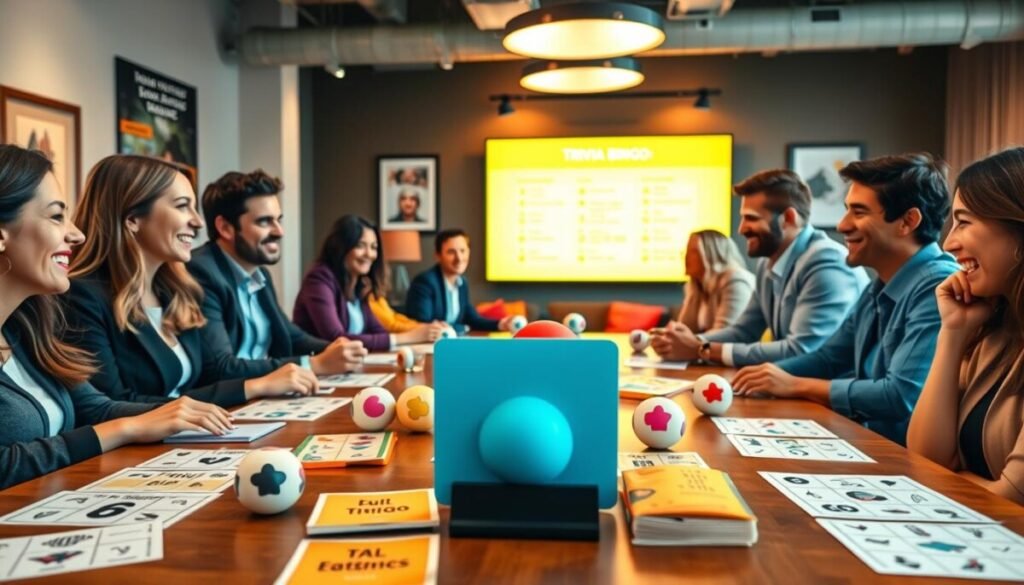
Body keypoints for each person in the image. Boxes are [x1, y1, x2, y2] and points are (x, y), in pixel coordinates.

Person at [0, 145, 232, 489]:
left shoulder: (27, 326)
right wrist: (126, 428)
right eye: (56, 216)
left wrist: (181, 413)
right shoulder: (78, 300)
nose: (76, 234)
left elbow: (96, 408)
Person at [732, 153, 956, 445]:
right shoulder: (879, 286)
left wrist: (796, 385)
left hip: (904, 458)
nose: (842, 225)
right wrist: (760, 377)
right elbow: (829, 358)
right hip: (868, 442)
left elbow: (899, 396)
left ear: (908, 221)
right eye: (846, 210)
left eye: (858, 212)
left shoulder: (937, 285)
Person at [66, 155, 318, 407]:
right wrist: (255, 386)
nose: (198, 222)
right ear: (132, 219)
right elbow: (111, 405)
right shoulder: (84, 297)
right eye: (182, 206)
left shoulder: (174, 289)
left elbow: (205, 378)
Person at [651, 169, 868, 366]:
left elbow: (801, 351)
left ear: (788, 218)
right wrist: (686, 342)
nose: (741, 229)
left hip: (831, 392)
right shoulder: (767, 263)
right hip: (792, 385)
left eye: (751, 218)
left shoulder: (827, 263)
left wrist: (701, 349)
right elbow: (743, 331)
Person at [907, 147, 1024, 504]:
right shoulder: (996, 328)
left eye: (964, 222)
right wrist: (953, 332)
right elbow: (924, 461)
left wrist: (953, 477)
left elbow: (1010, 500)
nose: (949, 243)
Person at [188, 170, 366, 381]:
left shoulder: (260, 274)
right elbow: (220, 367)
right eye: (264, 222)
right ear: (225, 228)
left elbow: (291, 335)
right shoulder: (201, 273)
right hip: (233, 398)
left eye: (278, 220)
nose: (279, 231)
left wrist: (336, 350)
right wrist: (312, 364)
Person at [293, 215, 446, 350]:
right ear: (340, 247)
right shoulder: (319, 279)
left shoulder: (359, 285)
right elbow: (336, 338)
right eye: (360, 245)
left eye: (374, 247)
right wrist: (410, 337)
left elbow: (378, 331)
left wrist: (420, 332)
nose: (369, 254)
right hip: (315, 369)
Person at [405, 228, 514, 333]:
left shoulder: (462, 283)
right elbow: (423, 324)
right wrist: (462, 328)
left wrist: (501, 323)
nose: (459, 258)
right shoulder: (424, 282)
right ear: (438, 256)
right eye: (451, 252)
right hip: (429, 343)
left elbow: (472, 319)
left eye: (463, 251)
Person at [678, 229, 755, 333]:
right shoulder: (695, 287)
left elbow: (726, 334)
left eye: (693, 252)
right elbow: (682, 330)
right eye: (686, 251)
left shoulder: (736, 281)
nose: (686, 257)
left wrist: (685, 339)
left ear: (712, 255)